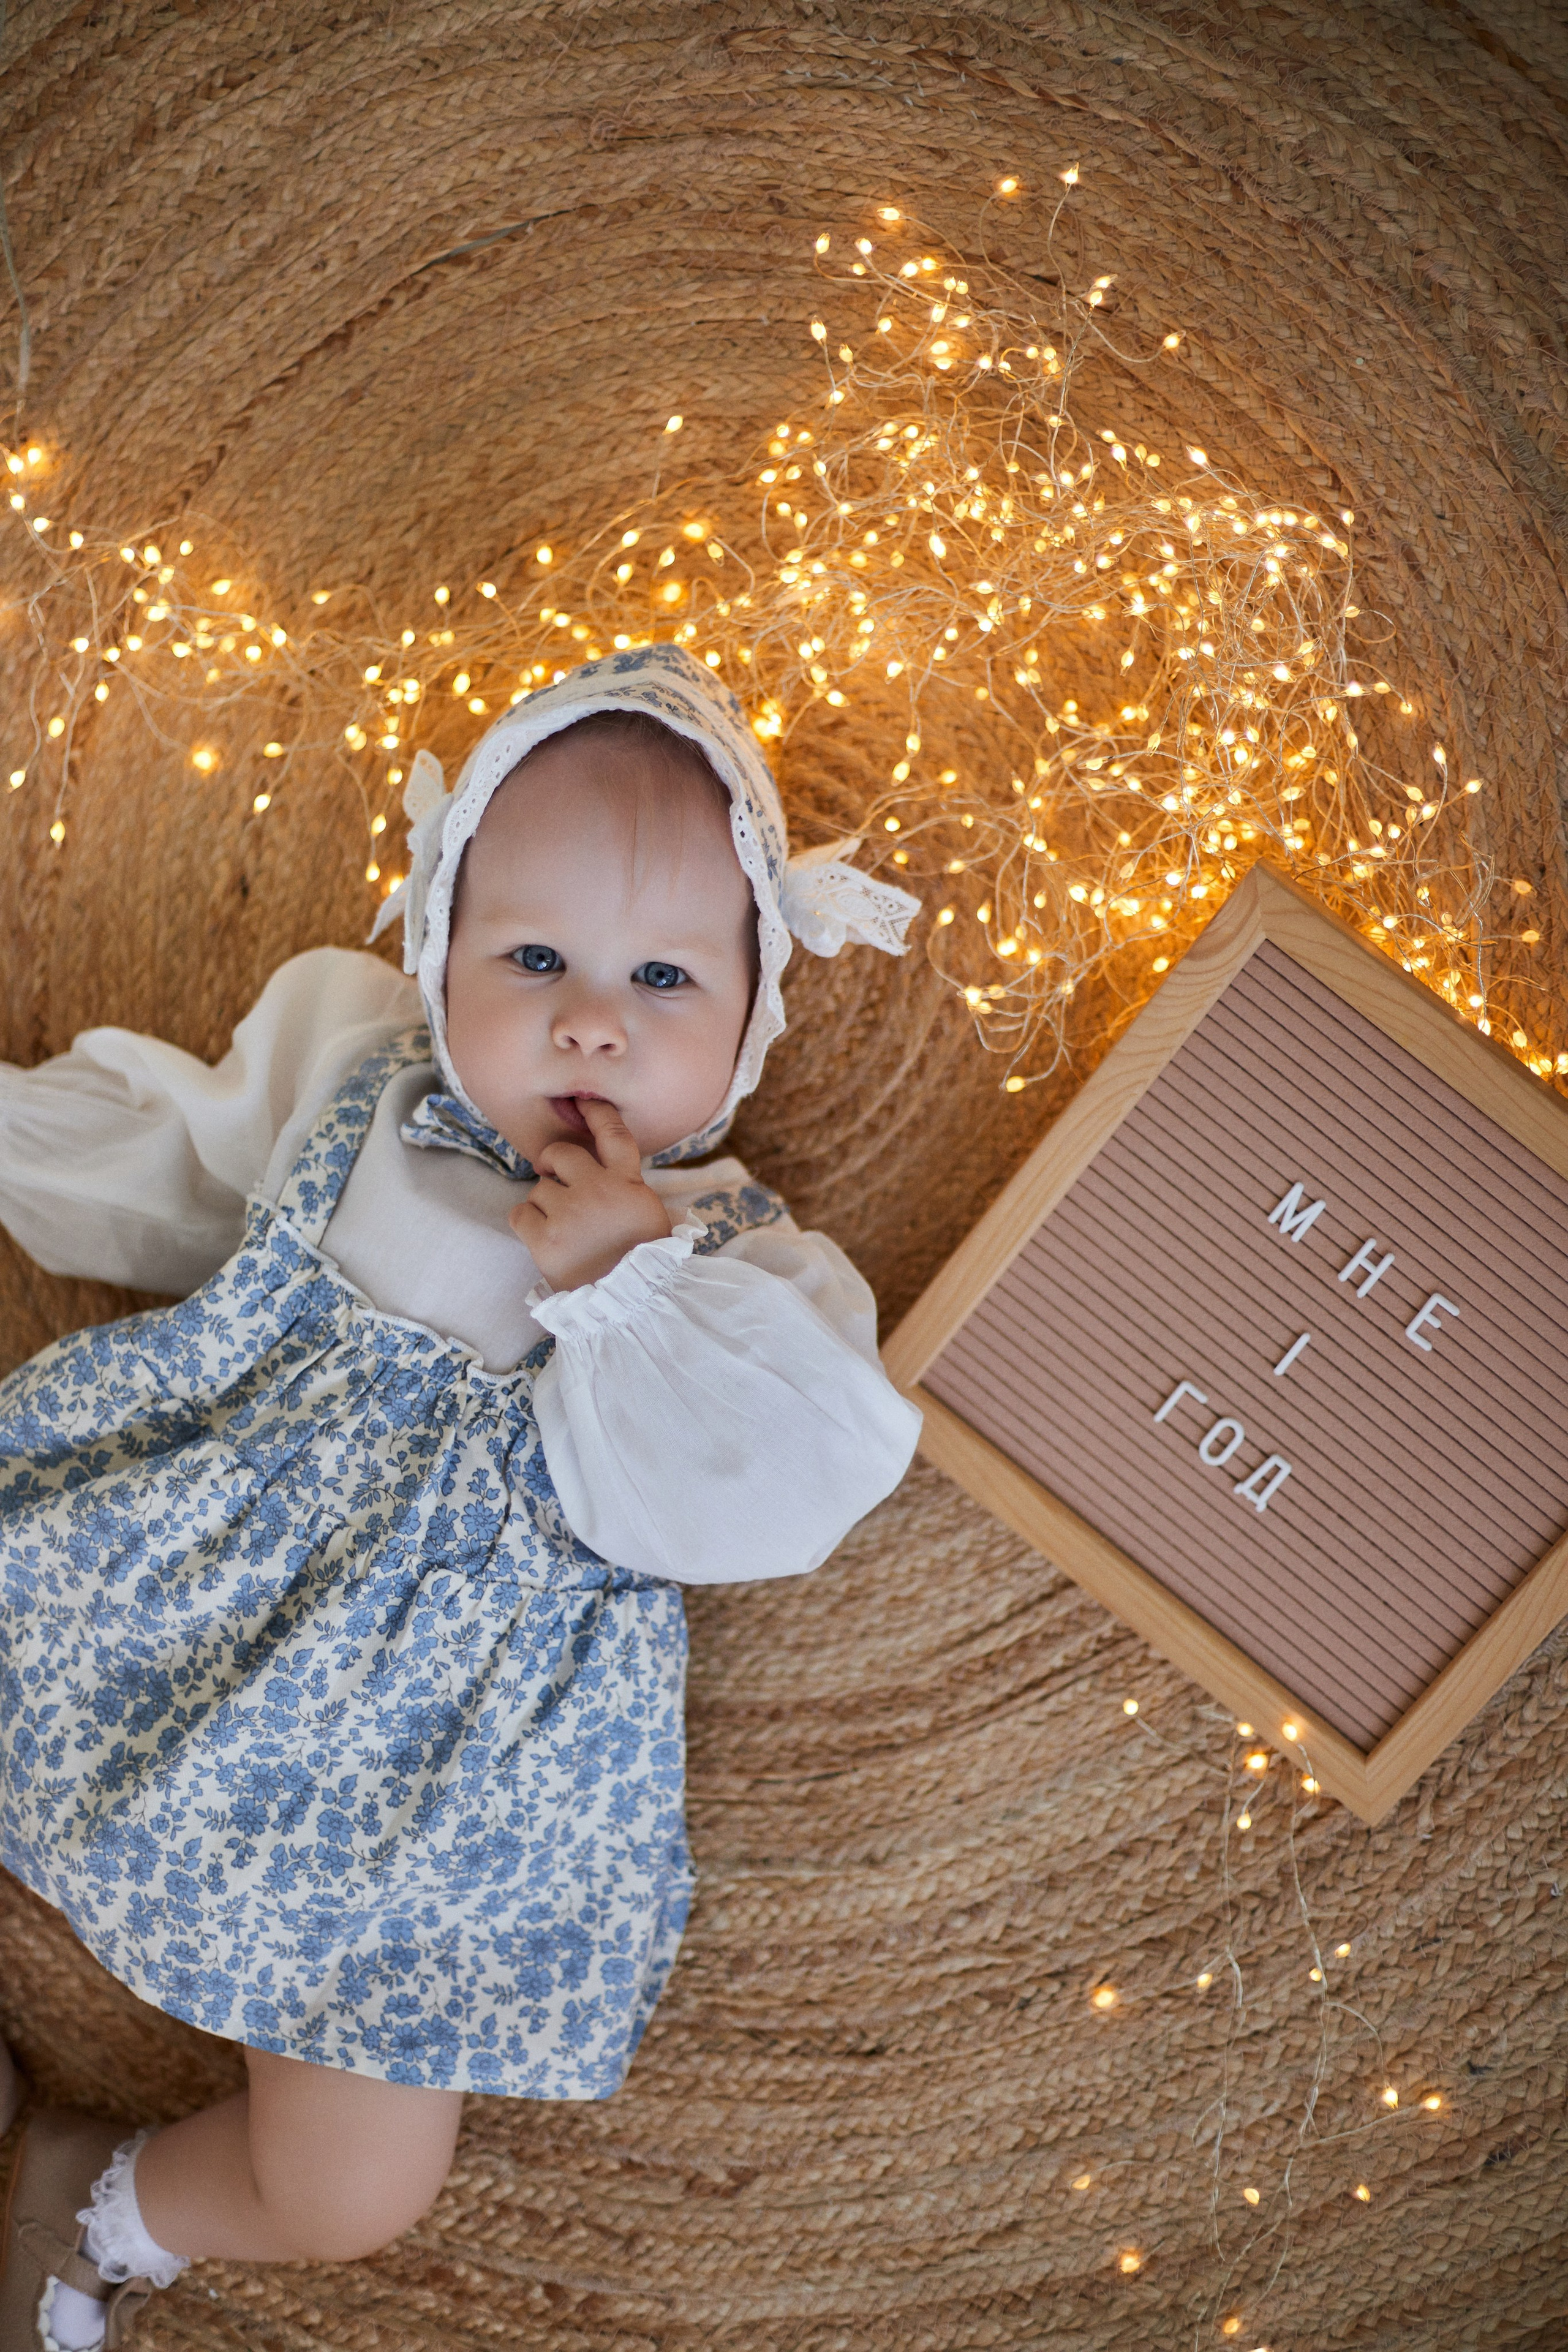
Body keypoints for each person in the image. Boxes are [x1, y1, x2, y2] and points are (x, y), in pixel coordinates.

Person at [0, 645, 923, 2350]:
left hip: (435, 1805)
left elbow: (779, 1483)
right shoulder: (357, 1073)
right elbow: (178, 1165)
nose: (592, 1018)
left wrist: (626, 1284)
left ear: (748, 1020)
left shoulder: (735, 1271)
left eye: (662, 976)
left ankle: (103, 2197)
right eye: (533, 958)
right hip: (185, 1590)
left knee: (355, 2192)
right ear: (434, 955)